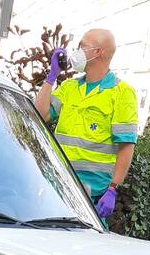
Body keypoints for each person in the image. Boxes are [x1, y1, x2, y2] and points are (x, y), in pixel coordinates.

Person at [34, 29, 137, 220]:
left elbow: (126, 145)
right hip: (57, 183)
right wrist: (51, 76)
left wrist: (113, 189)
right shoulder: (69, 87)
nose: (77, 50)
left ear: (98, 52)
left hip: (91, 195)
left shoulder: (122, 93)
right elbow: (40, 114)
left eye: (82, 46)